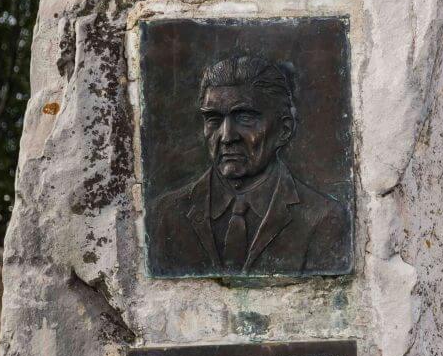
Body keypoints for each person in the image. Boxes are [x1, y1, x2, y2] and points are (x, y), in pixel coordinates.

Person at [147, 53, 350, 276]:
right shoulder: (164, 215)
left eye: (244, 118)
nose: (226, 136)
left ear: (284, 130)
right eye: (213, 119)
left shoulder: (324, 219)